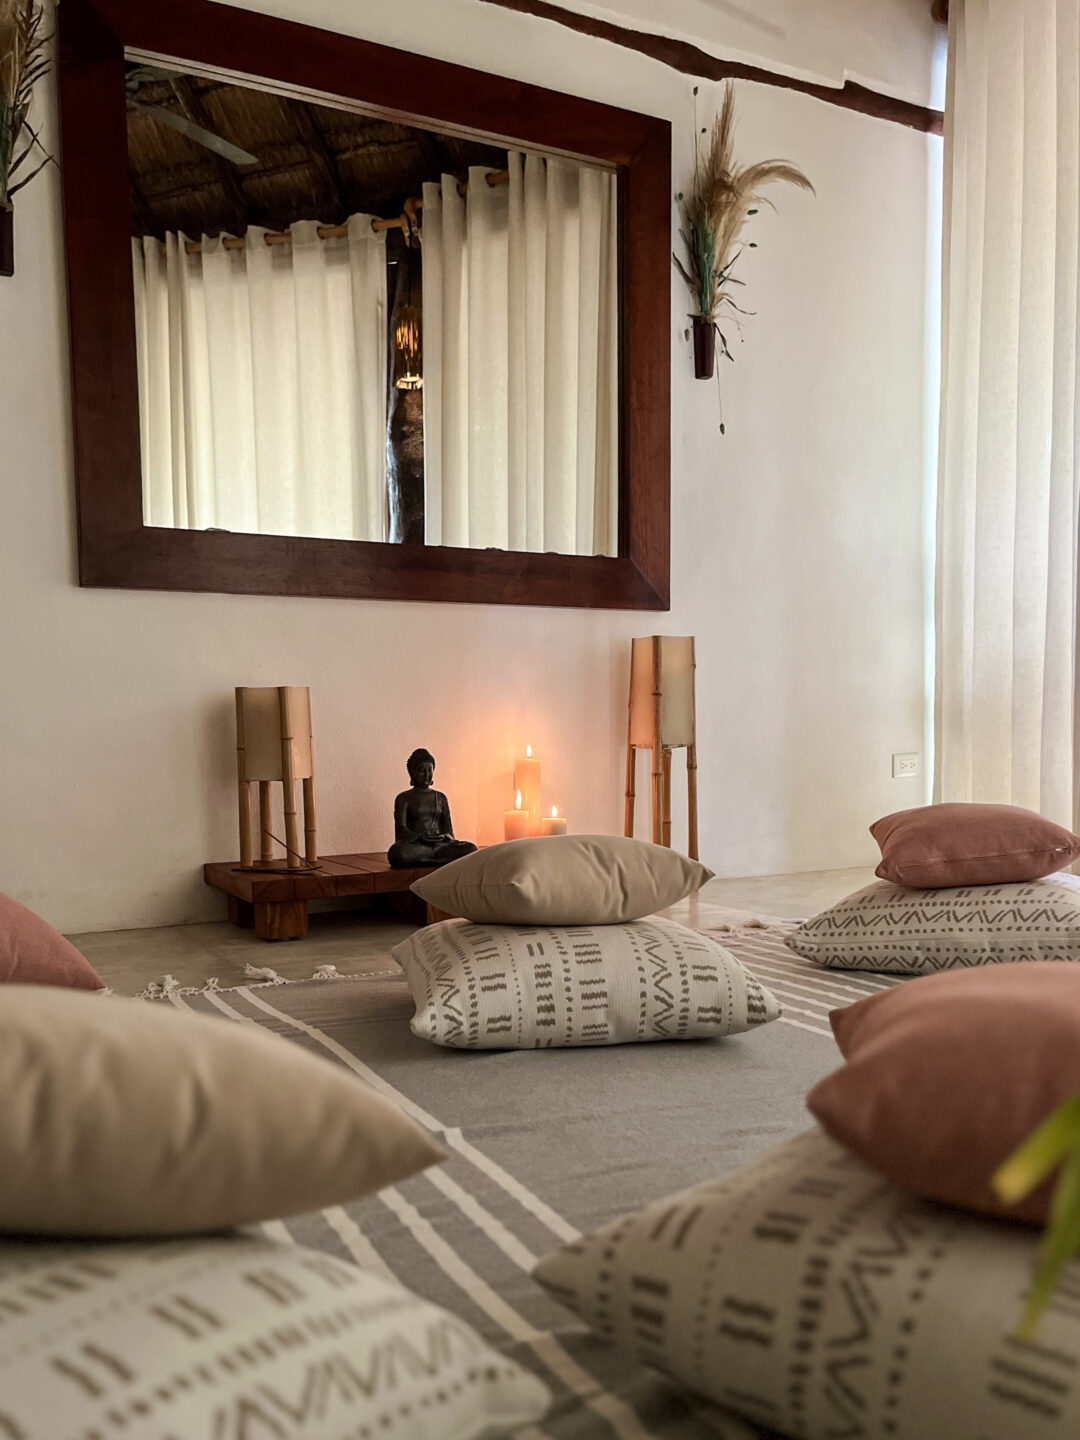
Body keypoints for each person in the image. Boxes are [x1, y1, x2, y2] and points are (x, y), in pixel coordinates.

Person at [387, 748, 477, 867]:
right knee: (398, 853)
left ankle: (430, 859)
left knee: (471, 848)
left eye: (430, 770)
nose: (427, 775)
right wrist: (421, 838)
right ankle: (437, 859)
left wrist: (443, 837)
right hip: (418, 846)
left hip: (440, 845)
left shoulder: (441, 797)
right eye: (421, 771)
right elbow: (401, 831)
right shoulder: (403, 798)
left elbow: (448, 831)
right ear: (412, 773)